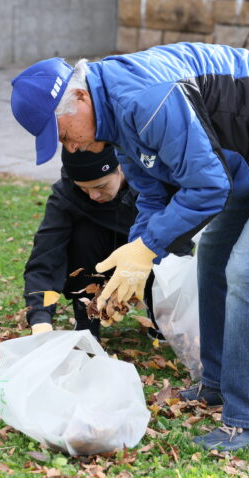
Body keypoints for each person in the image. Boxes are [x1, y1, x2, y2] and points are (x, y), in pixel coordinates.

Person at [11, 42, 249, 452]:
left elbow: (208, 188)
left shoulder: (145, 101)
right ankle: (216, 384)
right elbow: (152, 195)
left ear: (80, 97)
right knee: (213, 257)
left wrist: (147, 248)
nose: (70, 148)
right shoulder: (113, 112)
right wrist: (134, 259)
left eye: (65, 135)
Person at [24, 146, 165, 341]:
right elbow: (45, 256)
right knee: (84, 233)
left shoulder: (150, 184)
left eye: (100, 186)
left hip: (145, 257)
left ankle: (160, 307)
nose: (93, 196)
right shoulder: (65, 194)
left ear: (120, 168)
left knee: (162, 235)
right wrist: (40, 319)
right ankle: (87, 315)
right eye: (84, 188)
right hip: (97, 257)